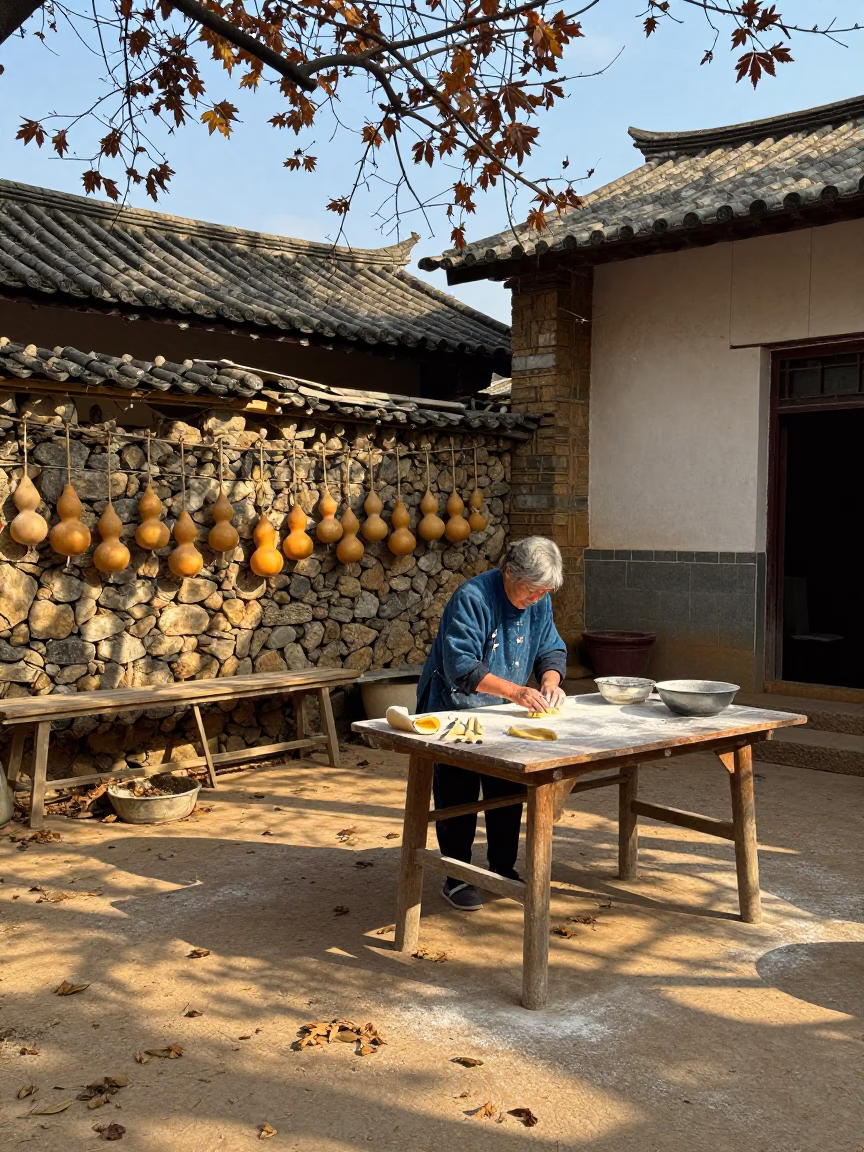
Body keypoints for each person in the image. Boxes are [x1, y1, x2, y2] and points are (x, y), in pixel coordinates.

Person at [416, 536, 567, 911]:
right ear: (509, 572)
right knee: (459, 794)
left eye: (543, 592)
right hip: (455, 709)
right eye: (530, 590)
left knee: (506, 790)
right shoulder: (473, 597)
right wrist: (516, 692)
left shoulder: (539, 601)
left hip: (502, 713)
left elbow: (550, 647)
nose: (535, 598)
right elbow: (461, 665)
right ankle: (457, 876)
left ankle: (502, 867)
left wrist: (551, 680)